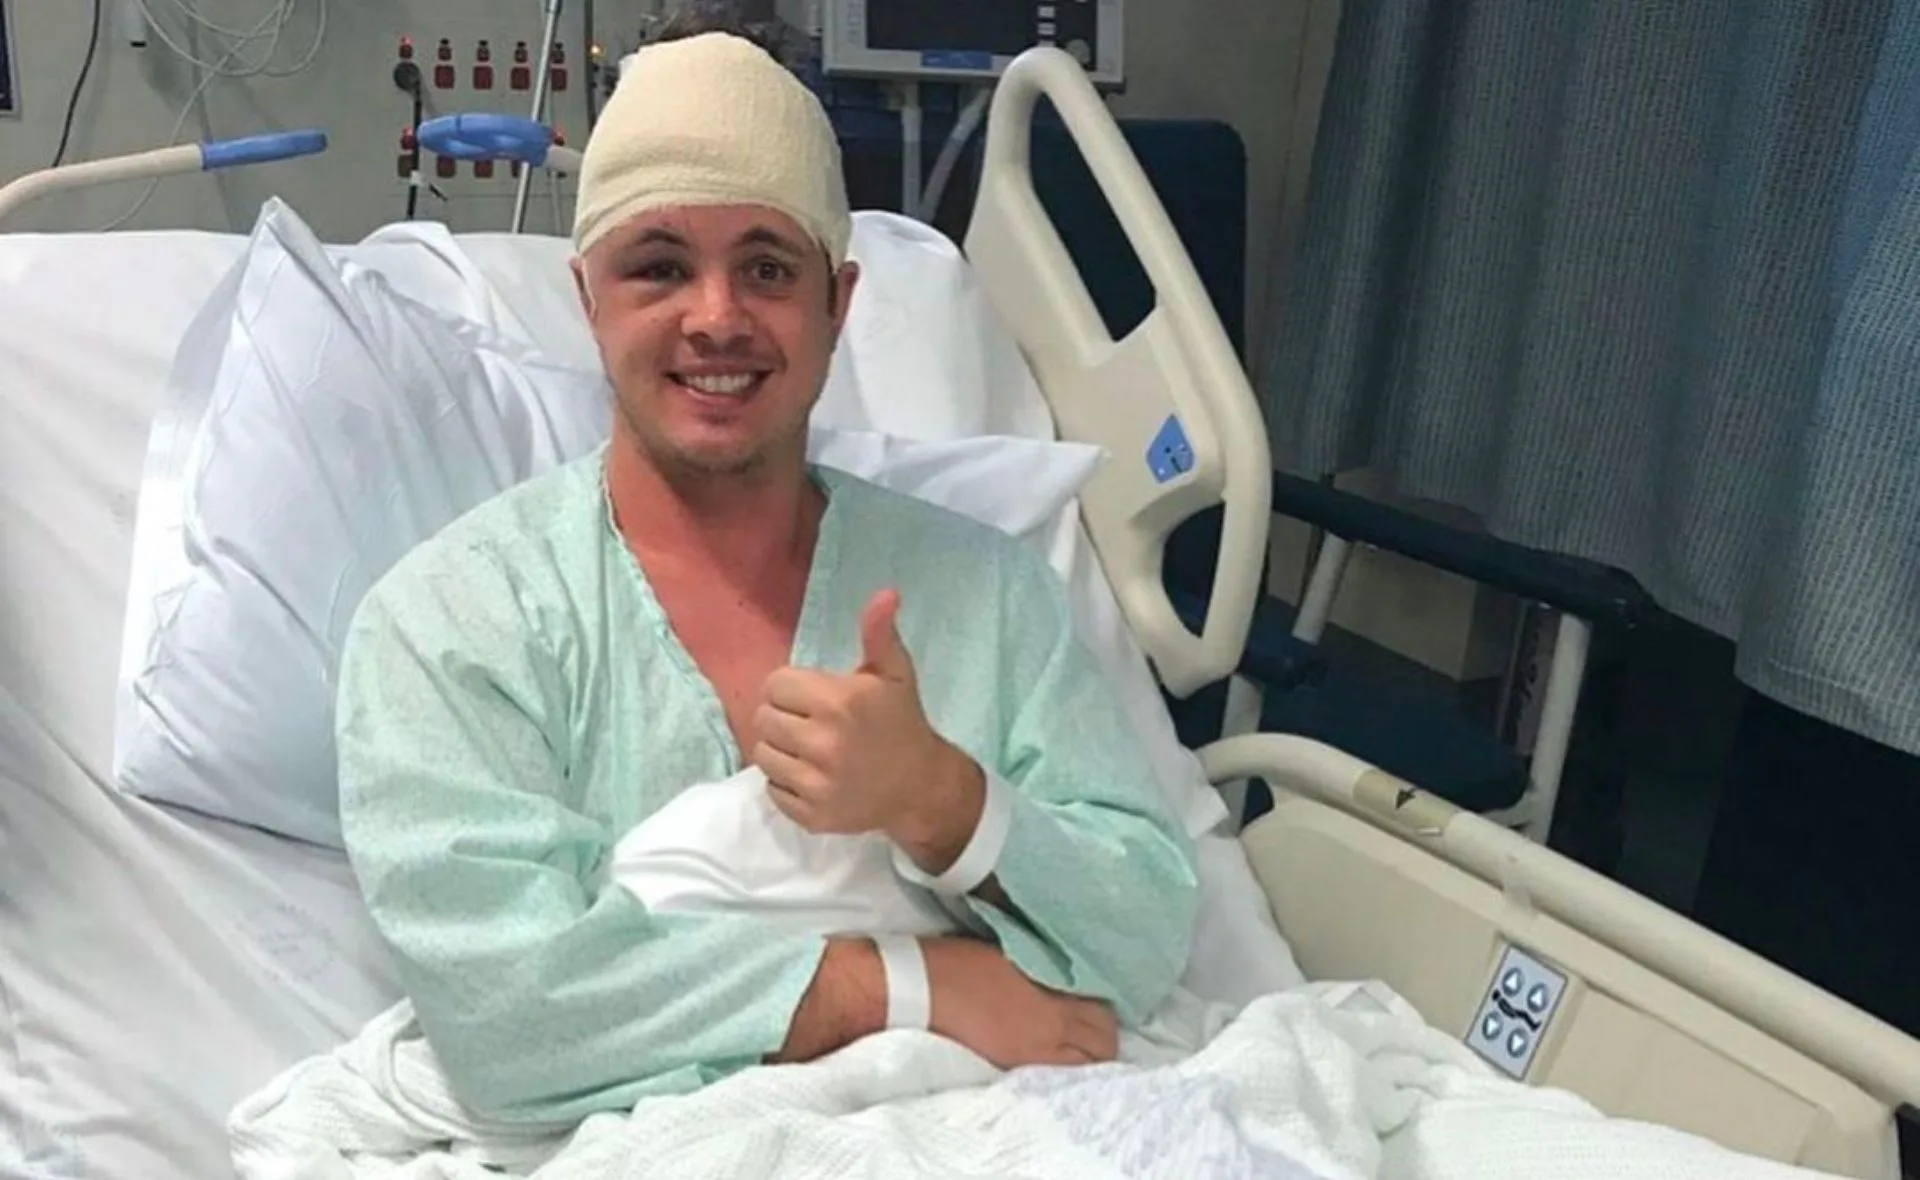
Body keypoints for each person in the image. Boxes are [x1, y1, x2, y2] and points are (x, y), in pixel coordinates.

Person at [332, 11, 1200, 1127]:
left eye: (768, 267)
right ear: (587, 299)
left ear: (839, 304)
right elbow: (509, 1013)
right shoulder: (453, 627)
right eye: (659, 267)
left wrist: (942, 800)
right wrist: (902, 987)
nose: (717, 317)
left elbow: (1145, 933)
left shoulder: (988, 598)